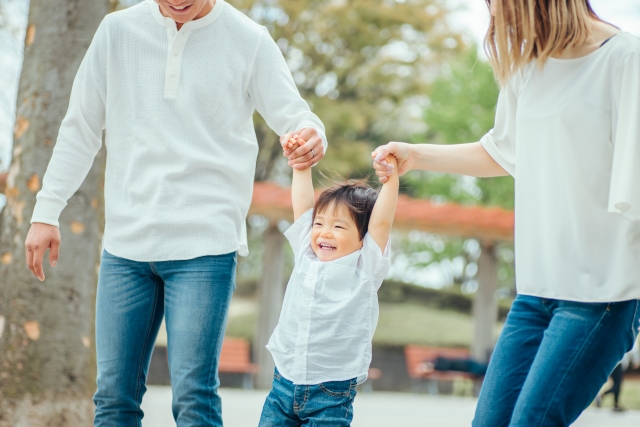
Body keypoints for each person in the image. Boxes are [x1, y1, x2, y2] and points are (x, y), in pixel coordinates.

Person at [23, 0, 327, 426]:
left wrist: (312, 137)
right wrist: (46, 210)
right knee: (113, 398)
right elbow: (81, 128)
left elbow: (296, 116)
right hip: (126, 246)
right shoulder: (117, 32)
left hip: (204, 244)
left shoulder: (249, 40)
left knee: (193, 399)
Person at [372, 0, 640, 425]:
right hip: (535, 291)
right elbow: (501, 150)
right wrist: (415, 155)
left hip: (601, 295)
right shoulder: (527, 68)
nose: (495, 18)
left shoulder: (625, 59)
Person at [258, 135, 399, 426]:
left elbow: (382, 221)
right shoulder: (306, 253)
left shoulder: (365, 266)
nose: (324, 232)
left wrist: (391, 180)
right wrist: (300, 166)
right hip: (283, 381)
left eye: (338, 226)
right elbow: (302, 208)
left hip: (331, 392)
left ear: (363, 238)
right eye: (320, 224)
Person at [597, 336, 640, 412]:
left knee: (617, 384)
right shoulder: (632, 334)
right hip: (618, 363)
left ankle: (615, 404)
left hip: (613, 362)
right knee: (617, 384)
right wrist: (636, 361)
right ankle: (602, 395)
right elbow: (634, 349)